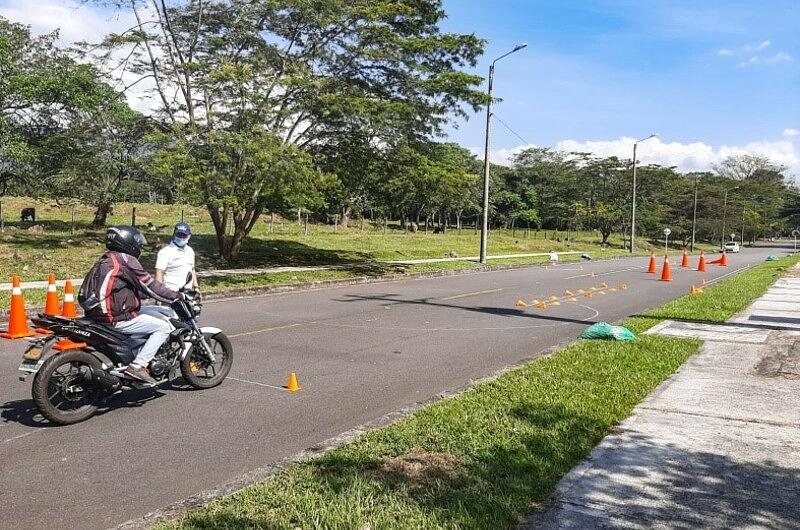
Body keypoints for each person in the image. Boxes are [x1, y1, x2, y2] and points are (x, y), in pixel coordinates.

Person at [79, 225, 180, 387]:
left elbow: (121, 289)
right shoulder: (126, 260)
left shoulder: (107, 259)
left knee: (159, 311)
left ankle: (136, 351)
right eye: (137, 243)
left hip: (98, 313)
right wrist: (177, 296)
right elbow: (150, 285)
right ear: (128, 243)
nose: (139, 247)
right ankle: (138, 366)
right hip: (114, 316)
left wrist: (145, 295)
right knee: (163, 327)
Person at [155, 222, 198, 292]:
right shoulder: (165, 252)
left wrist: (196, 287)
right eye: (179, 235)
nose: (181, 237)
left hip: (187, 293)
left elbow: (192, 270)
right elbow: (159, 273)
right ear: (174, 234)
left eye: (184, 235)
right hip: (171, 293)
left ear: (189, 236)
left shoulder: (190, 251)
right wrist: (158, 293)